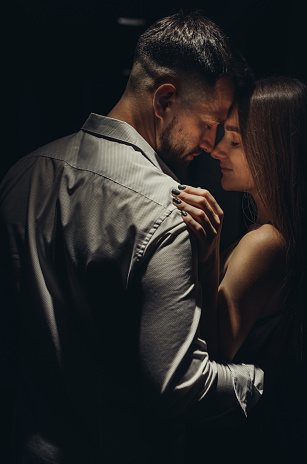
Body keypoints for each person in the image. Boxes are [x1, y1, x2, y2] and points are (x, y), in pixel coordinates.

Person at [0, 11, 264, 464]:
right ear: (164, 100)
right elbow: (178, 389)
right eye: (207, 121)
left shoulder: (22, 175)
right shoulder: (168, 210)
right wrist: (258, 380)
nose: (211, 141)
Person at [171, 76, 307, 463]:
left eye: (235, 141)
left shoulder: (265, 243)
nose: (216, 151)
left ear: (275, 153)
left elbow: (211, 357)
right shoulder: (290, 237)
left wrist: (208, 249)